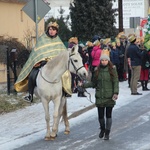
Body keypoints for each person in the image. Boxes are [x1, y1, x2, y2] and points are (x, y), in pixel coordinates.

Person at [14, 21, 71, 102]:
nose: (51, 31)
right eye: (50, 29)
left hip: (56, 66)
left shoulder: (59, 41)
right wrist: (42, 61)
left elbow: (62, 54)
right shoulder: (42, 39)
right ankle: (30, 95)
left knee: (66, 73)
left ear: (56, 31)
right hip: (43, 65)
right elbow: (37, 53)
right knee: (32, 75)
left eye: (54, 30)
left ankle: (65, 91)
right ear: (48, 30)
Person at [82, 53, 119, 140]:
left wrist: (116, 93)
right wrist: (83, 85)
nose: (104, 62)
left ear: (108, 61)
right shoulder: (96, 70)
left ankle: (107, 133)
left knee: (108, 115)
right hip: (100, 96)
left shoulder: (112, 70)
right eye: (102, 60)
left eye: (106, 60)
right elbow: (93, 83)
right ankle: (102, 129)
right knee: (101, 116)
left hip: (110, 96)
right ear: (100, 61)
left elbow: (115, 82)